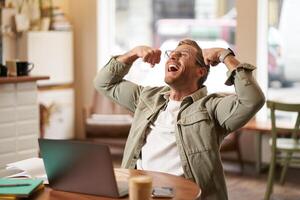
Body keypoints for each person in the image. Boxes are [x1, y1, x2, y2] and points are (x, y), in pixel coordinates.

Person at [94, 39, 265, 200]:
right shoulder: (147, 97)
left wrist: (224, 55)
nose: (173, 56)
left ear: (200, 71)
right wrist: (133, 53)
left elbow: (252, 99)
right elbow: (104, 83)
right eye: (172, 54)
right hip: (141, 190)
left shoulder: (211, 107)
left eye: (183, 54)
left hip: (183, 194)